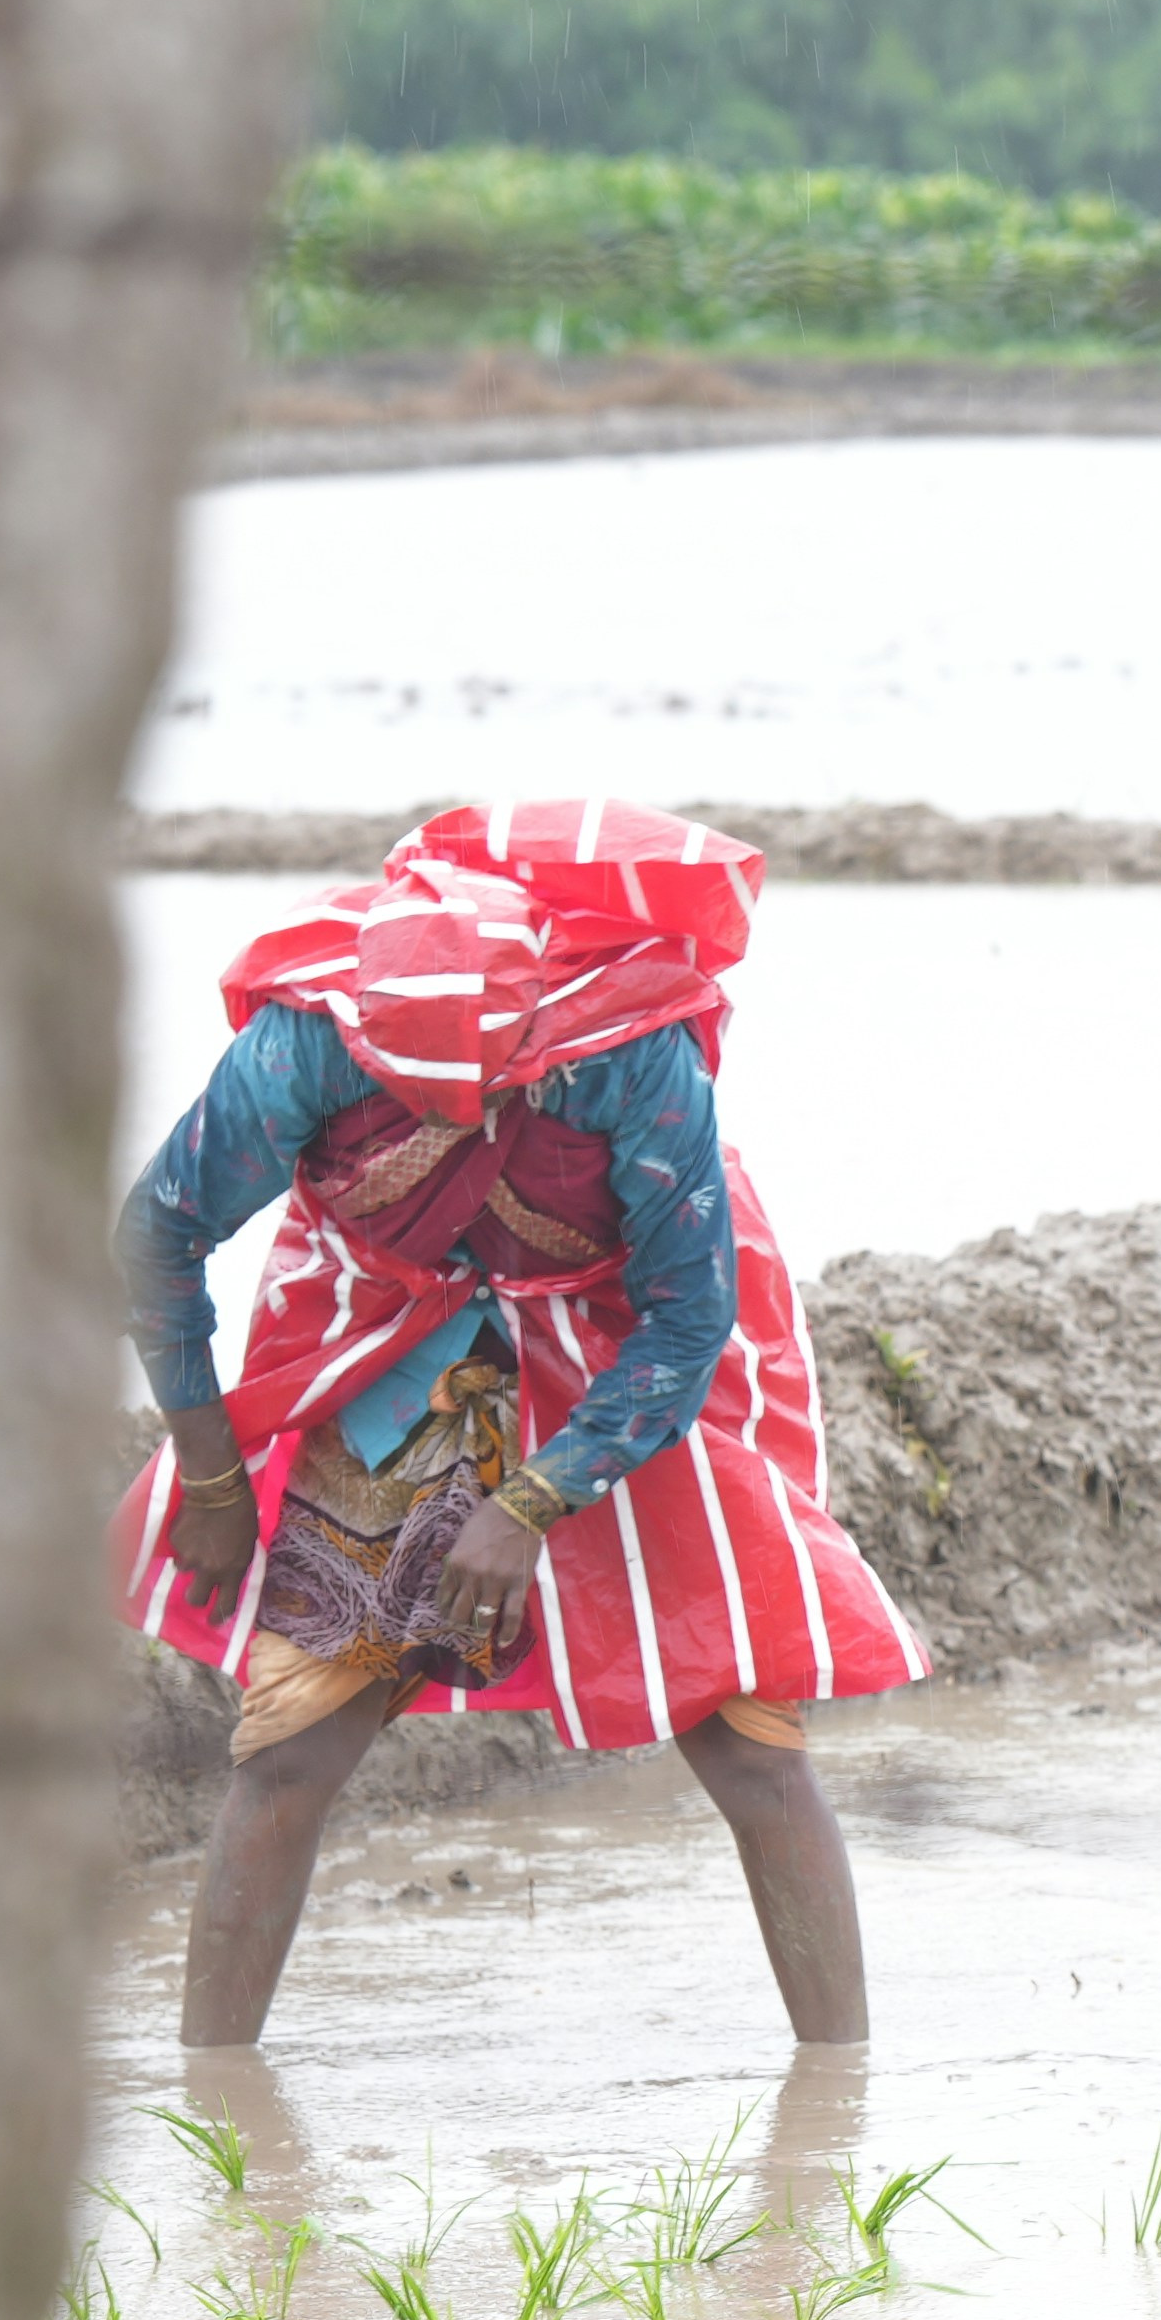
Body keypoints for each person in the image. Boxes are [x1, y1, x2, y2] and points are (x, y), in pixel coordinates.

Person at [114, 802, 922, 2049]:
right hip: (399, 1324)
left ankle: (840, 2098)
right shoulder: (306, 1043)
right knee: (288, 1754)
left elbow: (686, 1312)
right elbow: (157, 1235)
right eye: (407, 1092)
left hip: (613, 1330)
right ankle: (216, 2108)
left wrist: (533, 1500)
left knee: (748, 1738)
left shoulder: (625, 1051)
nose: (441, 1111)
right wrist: (217, 1482)